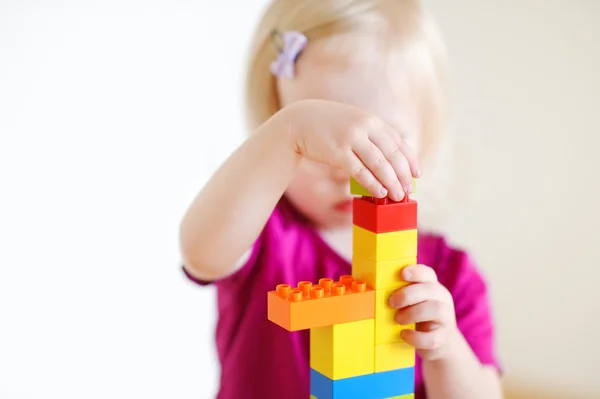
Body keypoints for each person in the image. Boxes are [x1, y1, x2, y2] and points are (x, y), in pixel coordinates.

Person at [178, 0, 502, 398]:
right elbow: (200, 252)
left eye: (383, 141)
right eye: (317, 146)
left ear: (425, 135)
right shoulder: (262, 234)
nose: (349, 170)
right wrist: (290, 130)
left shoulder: (449, 277)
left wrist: (445, 349)